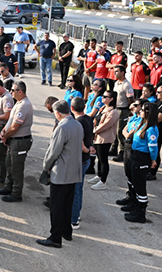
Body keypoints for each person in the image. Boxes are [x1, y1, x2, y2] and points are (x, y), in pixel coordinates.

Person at [37, 100, 83, 248]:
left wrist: (46, 167)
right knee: (67, 204)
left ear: (57, 113)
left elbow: (53, 152)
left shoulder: (62, 127)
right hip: (74, 172)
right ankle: (66, 231)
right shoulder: (77, 124)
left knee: (56, 206)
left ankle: (55, 237)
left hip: (61, 172)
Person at [0, 81, 34, 202]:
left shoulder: (24, 105)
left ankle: (16, 193)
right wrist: (4, 131)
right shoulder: (19, 103)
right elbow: (11, 121)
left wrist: (5, 135)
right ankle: (9, 187)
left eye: (13, 90)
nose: (11, 92)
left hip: (20, 141)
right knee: (9, 164)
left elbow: (14, 127)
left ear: (20, 91)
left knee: (16, 168)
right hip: (14, 140)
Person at [120, 101, 159, 223]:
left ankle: (141, 213)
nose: (140, 112)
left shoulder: (151, 129)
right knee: (134, 182)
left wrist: (153, 160)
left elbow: (153, 148)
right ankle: (134, 204)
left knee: (140, 186)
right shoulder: (142, 124)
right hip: (135, 155)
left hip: (142, 157)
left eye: (142, 110)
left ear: (148, 113)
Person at [70, 97, 93, 230]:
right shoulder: (88, 119)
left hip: (80, 159)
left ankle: (74, 219)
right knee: (79, 188)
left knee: (75, 190)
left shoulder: (78, 122)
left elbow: (80, 143)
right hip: (85, 159)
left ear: (72, 108)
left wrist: (86, 150)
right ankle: (76, 215)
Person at [88, 91, 119, 191]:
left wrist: (94, 130)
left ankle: (103, 181)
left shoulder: (113, 112)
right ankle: (99, 175)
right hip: (98, 137)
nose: (103, 98)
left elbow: (106, 125)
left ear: (112, 99)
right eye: (103, 96)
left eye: (106, 97)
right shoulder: (103, 108)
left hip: (105, 138)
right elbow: (96, 119)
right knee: (99, 157)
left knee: (103, 159)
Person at [110, 66, 134, 162]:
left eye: (116, 71)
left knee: (120, 131)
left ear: (122, 72)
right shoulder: (116, 83)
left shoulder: (127, 85)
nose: (114, 73)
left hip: (123, 110)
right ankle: (114, 148)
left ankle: (122, 152)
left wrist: (130, 111)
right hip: (116, 108)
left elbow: (130, 99)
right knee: (115, 130)